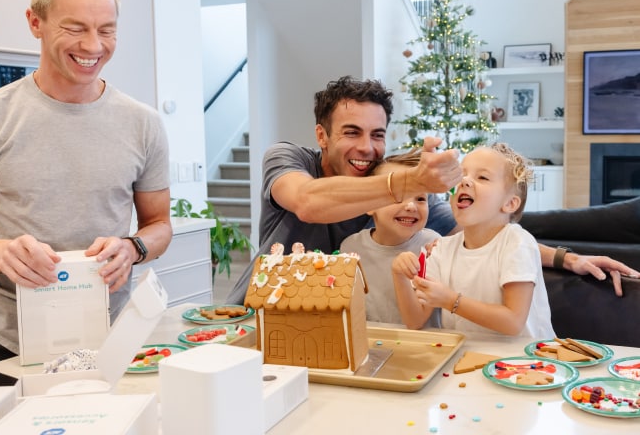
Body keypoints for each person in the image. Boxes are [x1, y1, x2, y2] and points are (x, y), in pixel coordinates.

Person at [226, 76, 639, 305]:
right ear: (321, 134)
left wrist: (567, 258)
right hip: (258, 312)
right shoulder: (287, 157)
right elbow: (308, 203)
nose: (367, 148)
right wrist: (409, 183)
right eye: (351, 133)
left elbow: (481, 233)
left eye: (377, 134)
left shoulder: (392, 180)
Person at [0, 0, 172, 366]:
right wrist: (1, 253)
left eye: (106, 30)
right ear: (35, 23)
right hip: (4, 342)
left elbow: (159, 226)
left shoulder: (144, 124)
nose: (93, 46)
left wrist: (133, 247)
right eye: (75, 28)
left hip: (111, 337)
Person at [392, 143, 555, 338]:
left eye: (483, 177)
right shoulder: (442, 248)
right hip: (468, 360)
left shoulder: (516, 242)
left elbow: (513, 322)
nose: (465, 181)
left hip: (526, 361)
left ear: (510, 203)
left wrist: (450, 300)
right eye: (461, 175)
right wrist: (400, 275)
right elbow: (415, 320)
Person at [339, 148, 440, 325]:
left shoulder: (432, 245)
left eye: (420, 199)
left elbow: (418, 321)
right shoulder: (350, 248)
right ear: (369, 204)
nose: (411, 206)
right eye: (399, 196)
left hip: (425, 347)